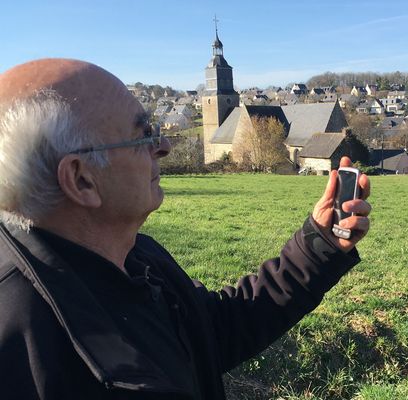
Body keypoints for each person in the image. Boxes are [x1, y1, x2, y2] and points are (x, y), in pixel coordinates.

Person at [0, 59, 371, 399]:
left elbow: (212, 333)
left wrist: (319, 244)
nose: (162, 146)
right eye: (143, 135)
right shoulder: (21, 348)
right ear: (82, 180)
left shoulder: (137, 256)